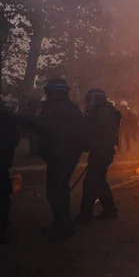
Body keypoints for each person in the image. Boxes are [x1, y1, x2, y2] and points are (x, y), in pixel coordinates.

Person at [31, 78, 85, 241]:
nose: (46, 95)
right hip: (67, 156)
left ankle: (64, 228)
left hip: (59, 157)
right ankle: (60, 222)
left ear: (54, 93)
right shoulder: (72, 108)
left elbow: (41, 127)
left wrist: (22, 120)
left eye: (48, 92)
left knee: (56, 192)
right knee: (58, 190)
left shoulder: (53, 109)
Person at [77, 89, 121, 223]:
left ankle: (85, 215)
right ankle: (109, 210)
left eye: (89, 100)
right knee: (100, 181)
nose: (87, 103)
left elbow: (96, 134)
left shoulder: (102, 113)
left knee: (90, 182)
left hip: (101, 151)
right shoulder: (106, 111)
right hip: (104, 151)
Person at [0, 100, 21, 244]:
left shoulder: (7, 118)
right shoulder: (8, 118)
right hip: (2, 163)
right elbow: (15, 138)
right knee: (2, 198)